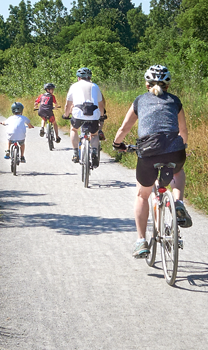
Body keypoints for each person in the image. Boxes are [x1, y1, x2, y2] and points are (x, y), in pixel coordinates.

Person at [112, 65, 193, 258]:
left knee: (142, 195)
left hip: (148, 152)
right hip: (175, 150)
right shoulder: (175, 101)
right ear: (168, 84)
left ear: (147, 84)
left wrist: (117, 144)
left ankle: (141, 241)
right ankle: (178, 202)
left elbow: (125, 127)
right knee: (177, 171)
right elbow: (183, 130)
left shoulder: (140, 100)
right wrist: (183, 146)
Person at [62, 67, 105, 166]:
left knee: (74, 129)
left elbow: (68, 104)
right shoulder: (95, 86)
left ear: (79, 78)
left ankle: (76, 153)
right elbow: (101, 104)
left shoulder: (74, 86)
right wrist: (102, 116)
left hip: (78, 113)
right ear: (90, 77)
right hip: (93, 113)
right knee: (94, 134)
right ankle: (94, 151)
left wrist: (66, 114)